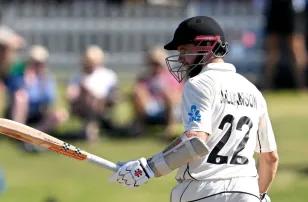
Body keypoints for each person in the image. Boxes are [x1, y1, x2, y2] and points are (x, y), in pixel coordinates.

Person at [108, 16, 279, 202]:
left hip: (203, 191)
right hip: (248, 192)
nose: (180, 59)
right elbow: (270, 158)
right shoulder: (252, 91)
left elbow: (196, 141)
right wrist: (259, 194)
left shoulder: (199, 83)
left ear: (208, 47)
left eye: (184, 50)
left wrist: (149, 168)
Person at [4, 45, 67, 136]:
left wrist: (42, 84)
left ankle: (36, 135)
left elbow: (50, 100)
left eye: (40, 63)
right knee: (21, 97)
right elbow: (13, 94)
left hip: (39, 112)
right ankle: (17, 133)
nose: (37, 65)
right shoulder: (18, 75)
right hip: (19, 113)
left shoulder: (47, 78)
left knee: (61, 114)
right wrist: (27, 83)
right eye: (35, 62)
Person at [66, 45, 118, 142]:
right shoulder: (77, 76)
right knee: (85, 92)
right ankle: (91, 128)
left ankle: (91, 128)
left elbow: (113, 94)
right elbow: (71, 94)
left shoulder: (108, 75)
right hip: (81, 105)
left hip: (102, 104)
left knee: (89, 94)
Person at [130, 46, 184, 138]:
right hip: (151, 106)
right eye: (152, 64)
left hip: (171, 107)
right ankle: (140, 126)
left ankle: (170, 127)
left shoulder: (173, 77)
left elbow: (179, 96)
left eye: (157, 64)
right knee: (138, 92)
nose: (155, 67)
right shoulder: (144, 78)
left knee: (169, 94)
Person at [263, 0, 307, 91]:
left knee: (296, 50)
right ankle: (267, 85)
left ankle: (301, 85)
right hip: (278, 9)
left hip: (291, 10)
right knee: (273, 51)